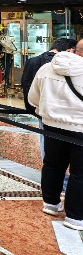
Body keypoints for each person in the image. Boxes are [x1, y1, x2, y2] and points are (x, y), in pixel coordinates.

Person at [28, 38, 83, 230]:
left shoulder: (46, 68)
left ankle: (50, 204)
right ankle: (76, 217)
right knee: (80, 172)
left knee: (52, 164)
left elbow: (33, 97)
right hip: (80, 129)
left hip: (51, 125)